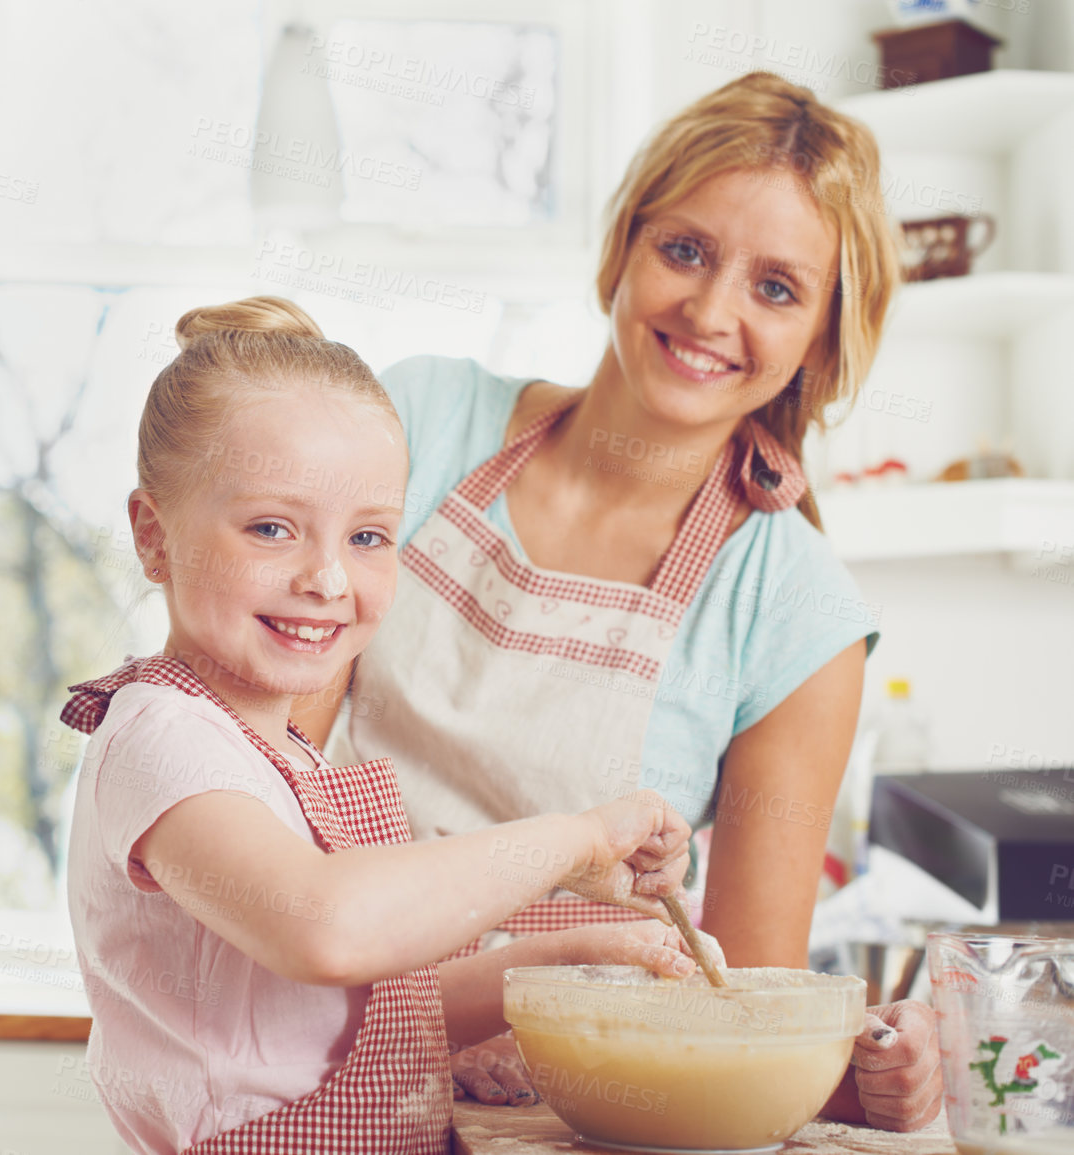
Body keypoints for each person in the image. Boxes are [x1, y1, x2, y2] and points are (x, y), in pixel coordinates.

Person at [294, 72, 941, 1130]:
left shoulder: (795, 612)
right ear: (622, 250)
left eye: (776, 288)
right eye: (684, 250)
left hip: (547, 1122)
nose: (710, 310)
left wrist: (868, 1078)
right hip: (298, 1048)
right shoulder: (414, 423)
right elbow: (264, 763)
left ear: (823, 337)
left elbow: (741, 1007)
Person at [63, 296, 710, 1155]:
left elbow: (354, 1023)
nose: (328, 577)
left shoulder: (276, 753)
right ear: (153, 537)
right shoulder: (159, 737)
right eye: (271, 528)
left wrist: (572, 958)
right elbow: (327, 928)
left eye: (368, 535)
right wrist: (572, 837)